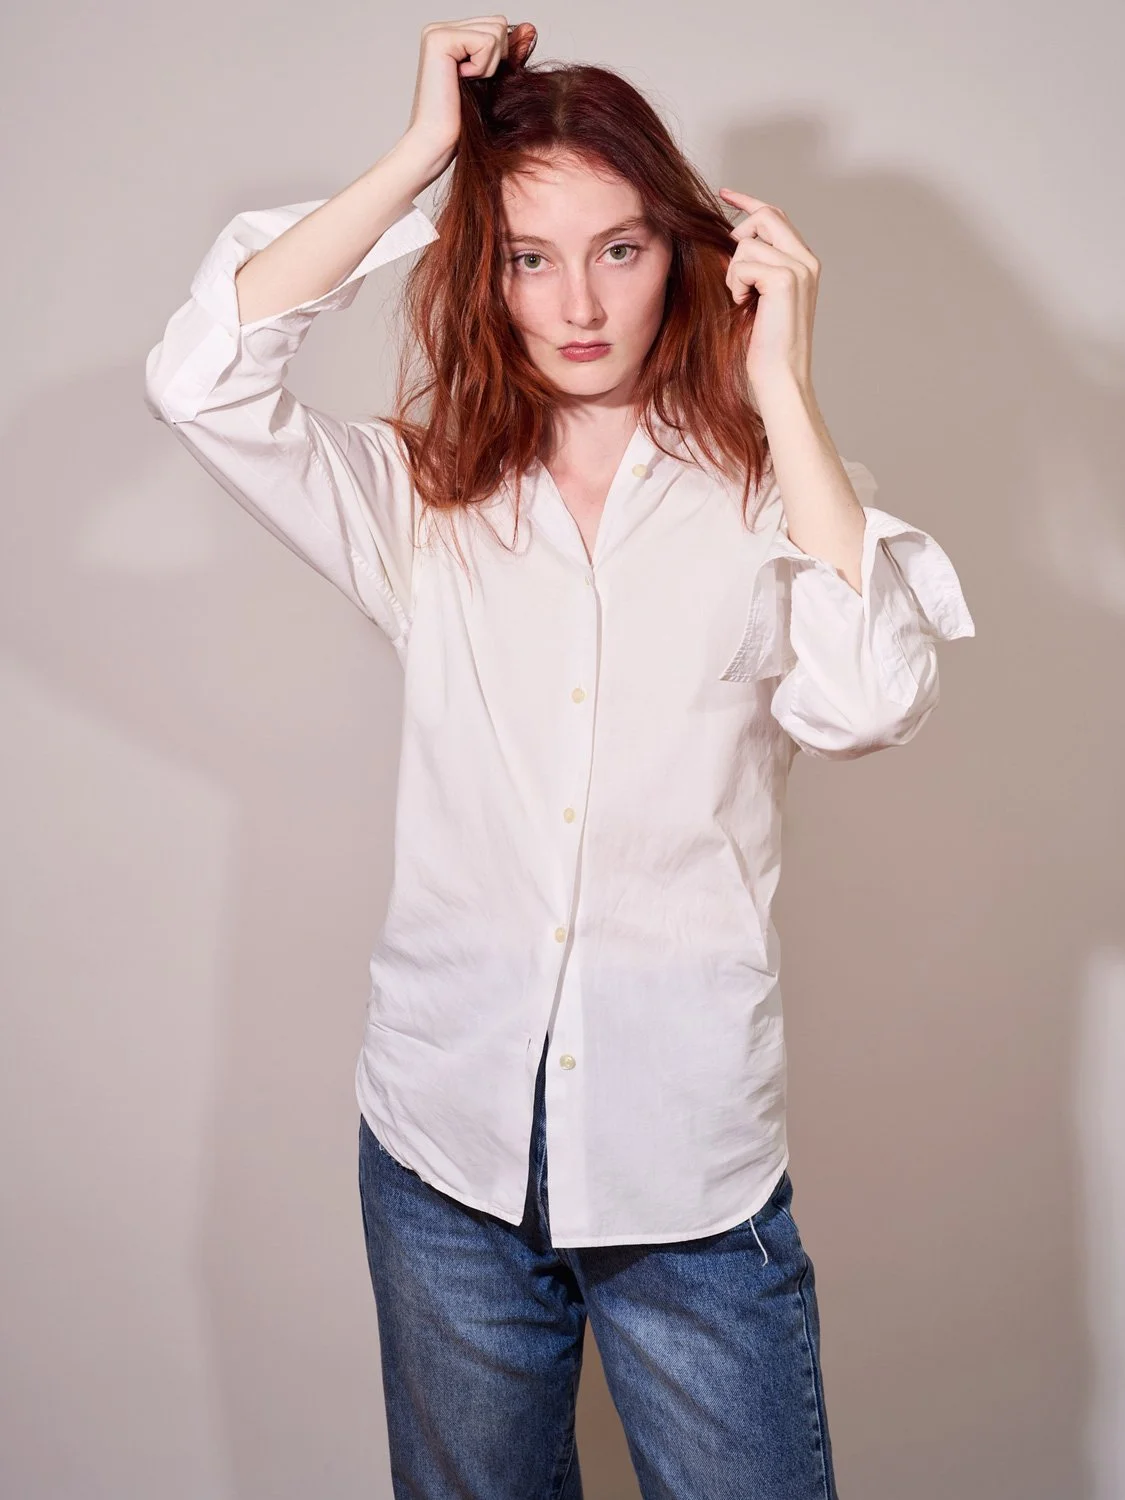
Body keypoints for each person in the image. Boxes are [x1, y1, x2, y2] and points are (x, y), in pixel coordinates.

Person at [143, 16, 975, 1499]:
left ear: (689, 252)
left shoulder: (773, 501)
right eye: (530, 257)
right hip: (443, 1164)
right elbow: (201, 378)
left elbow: (867, 702)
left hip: (689, 1179)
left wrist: (785, 388)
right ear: (487, 271)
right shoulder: (427, 501)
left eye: (620, 249)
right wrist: (422, 157)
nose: (579, 304)